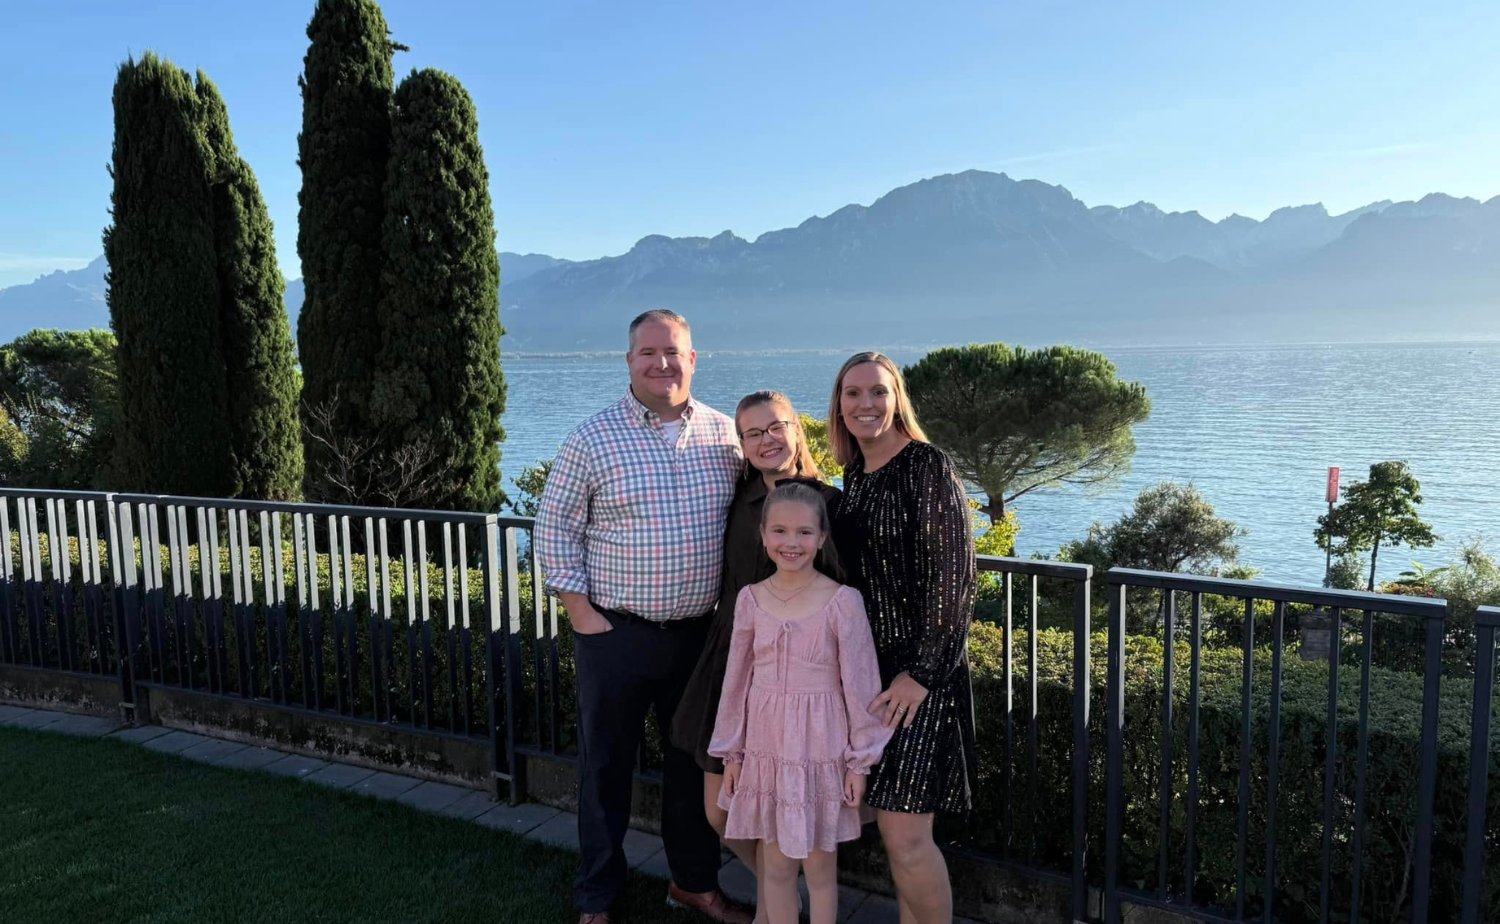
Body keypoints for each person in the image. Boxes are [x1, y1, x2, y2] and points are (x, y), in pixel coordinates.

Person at [535, 310, 753, 924]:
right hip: (615, 635)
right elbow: (555, 532)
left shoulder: (724, 436)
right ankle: (597, 899)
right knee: (605, 772)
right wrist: (581, 615)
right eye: (648, 352)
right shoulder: (591, 438)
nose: (662, 363)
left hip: (697, 640)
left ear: (694, 358)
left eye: (674, 352)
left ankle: (693, 883)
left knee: (693, 770)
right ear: (628, 361)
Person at [670, 391, 841, 898]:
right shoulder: (736, 500)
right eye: (752, 433)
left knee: (775, 814)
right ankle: (777, 897)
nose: (765, 440)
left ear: (795, 431)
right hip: (727, 666)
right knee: (720, 811)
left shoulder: (829, 505)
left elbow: (844, 597)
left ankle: (777, 906)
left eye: (775, 428)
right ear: (741, 444)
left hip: (789, 680)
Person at [827, 351, 977, 924]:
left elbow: (955, 580)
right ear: (838, 406)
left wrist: (921, 674)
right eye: (853, 393)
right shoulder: (856, 475)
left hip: (919, 679)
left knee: (904, 832)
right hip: (873, 673)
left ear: (897, 400)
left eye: (878, 392)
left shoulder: (927, 466)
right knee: (894, 833)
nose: (866, 404)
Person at [708, 482, 892, 924]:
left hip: (821, 751)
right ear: (764, 535)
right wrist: (732, 753)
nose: (792, 542)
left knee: (820, 868)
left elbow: (862, 687)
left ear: (822, 537)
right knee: (775, 867)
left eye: (804, 532)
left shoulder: (843, 602)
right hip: (767, 751)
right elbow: (736, 682)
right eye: (781, 531)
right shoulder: (750, 600)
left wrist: (858, 763)